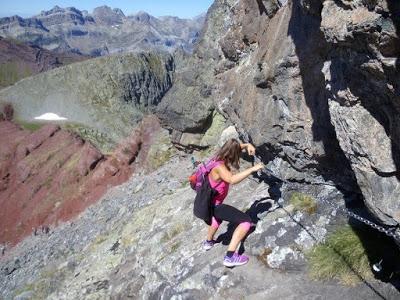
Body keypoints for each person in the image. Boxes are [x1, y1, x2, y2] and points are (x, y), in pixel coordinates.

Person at [202, 138, 264, 267]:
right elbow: (232, 179)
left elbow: (235, 148)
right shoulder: (219, 167)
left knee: (217, 219)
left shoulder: (217, 157)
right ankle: (230, 257)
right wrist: (253, 169)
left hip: (209, 204)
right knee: (246, 222)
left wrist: (247, 145)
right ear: (232, 154)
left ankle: (208, 242)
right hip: (216, 206)